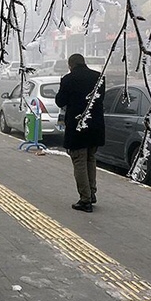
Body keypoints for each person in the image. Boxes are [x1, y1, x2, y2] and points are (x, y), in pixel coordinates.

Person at [54, 54, 105, 213]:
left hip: (77, 126)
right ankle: (92, 193)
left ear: (71, 65)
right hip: (95, 126)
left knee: (79, 161)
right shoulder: (98, 77)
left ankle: (85, 199)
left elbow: (60, 101)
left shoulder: (68, 79)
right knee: (90, 159)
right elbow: (100, 99)